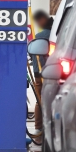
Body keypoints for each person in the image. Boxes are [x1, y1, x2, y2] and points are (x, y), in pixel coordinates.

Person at [31, 10, 54, 138]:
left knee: (39, 100)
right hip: (52, 72)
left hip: (38, 73)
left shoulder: (38, 36)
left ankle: (38, 127)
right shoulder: (57, 36)